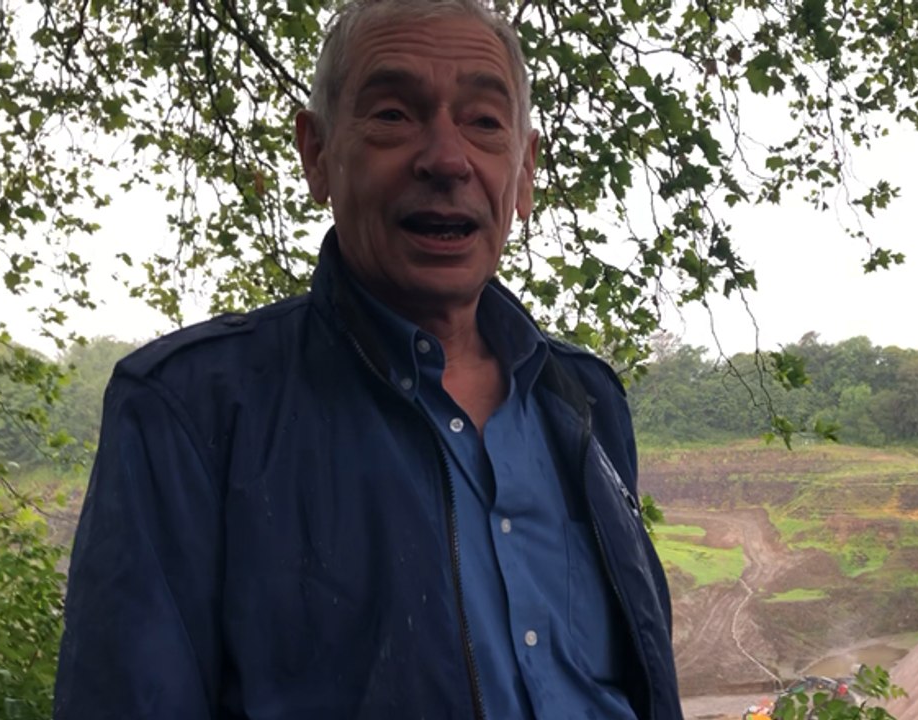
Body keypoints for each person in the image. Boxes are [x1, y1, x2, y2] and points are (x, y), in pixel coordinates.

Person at [53, 1, 683, 717]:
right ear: (317, 154)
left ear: (525, 171)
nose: (447, 159)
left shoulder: (584, 396)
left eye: (483, 122)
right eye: (392, 114)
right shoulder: (189, 409)